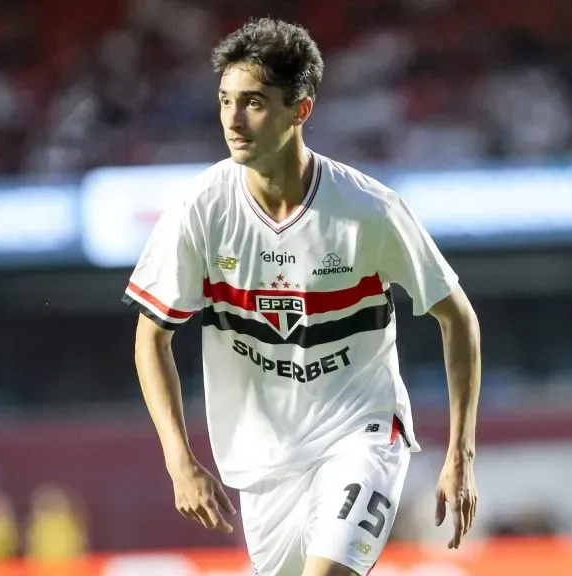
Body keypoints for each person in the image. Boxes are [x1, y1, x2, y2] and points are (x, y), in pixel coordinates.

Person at [124, 17, 481, 576]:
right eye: (225, 101)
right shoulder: (202, 209)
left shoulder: (368, 210)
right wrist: (179, 460)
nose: (233, 121)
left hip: (360, 433)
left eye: (254, 103)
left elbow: (457, 317)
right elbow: (152, 337)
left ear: (300, 110)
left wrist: (460, 455)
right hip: (265, 466)